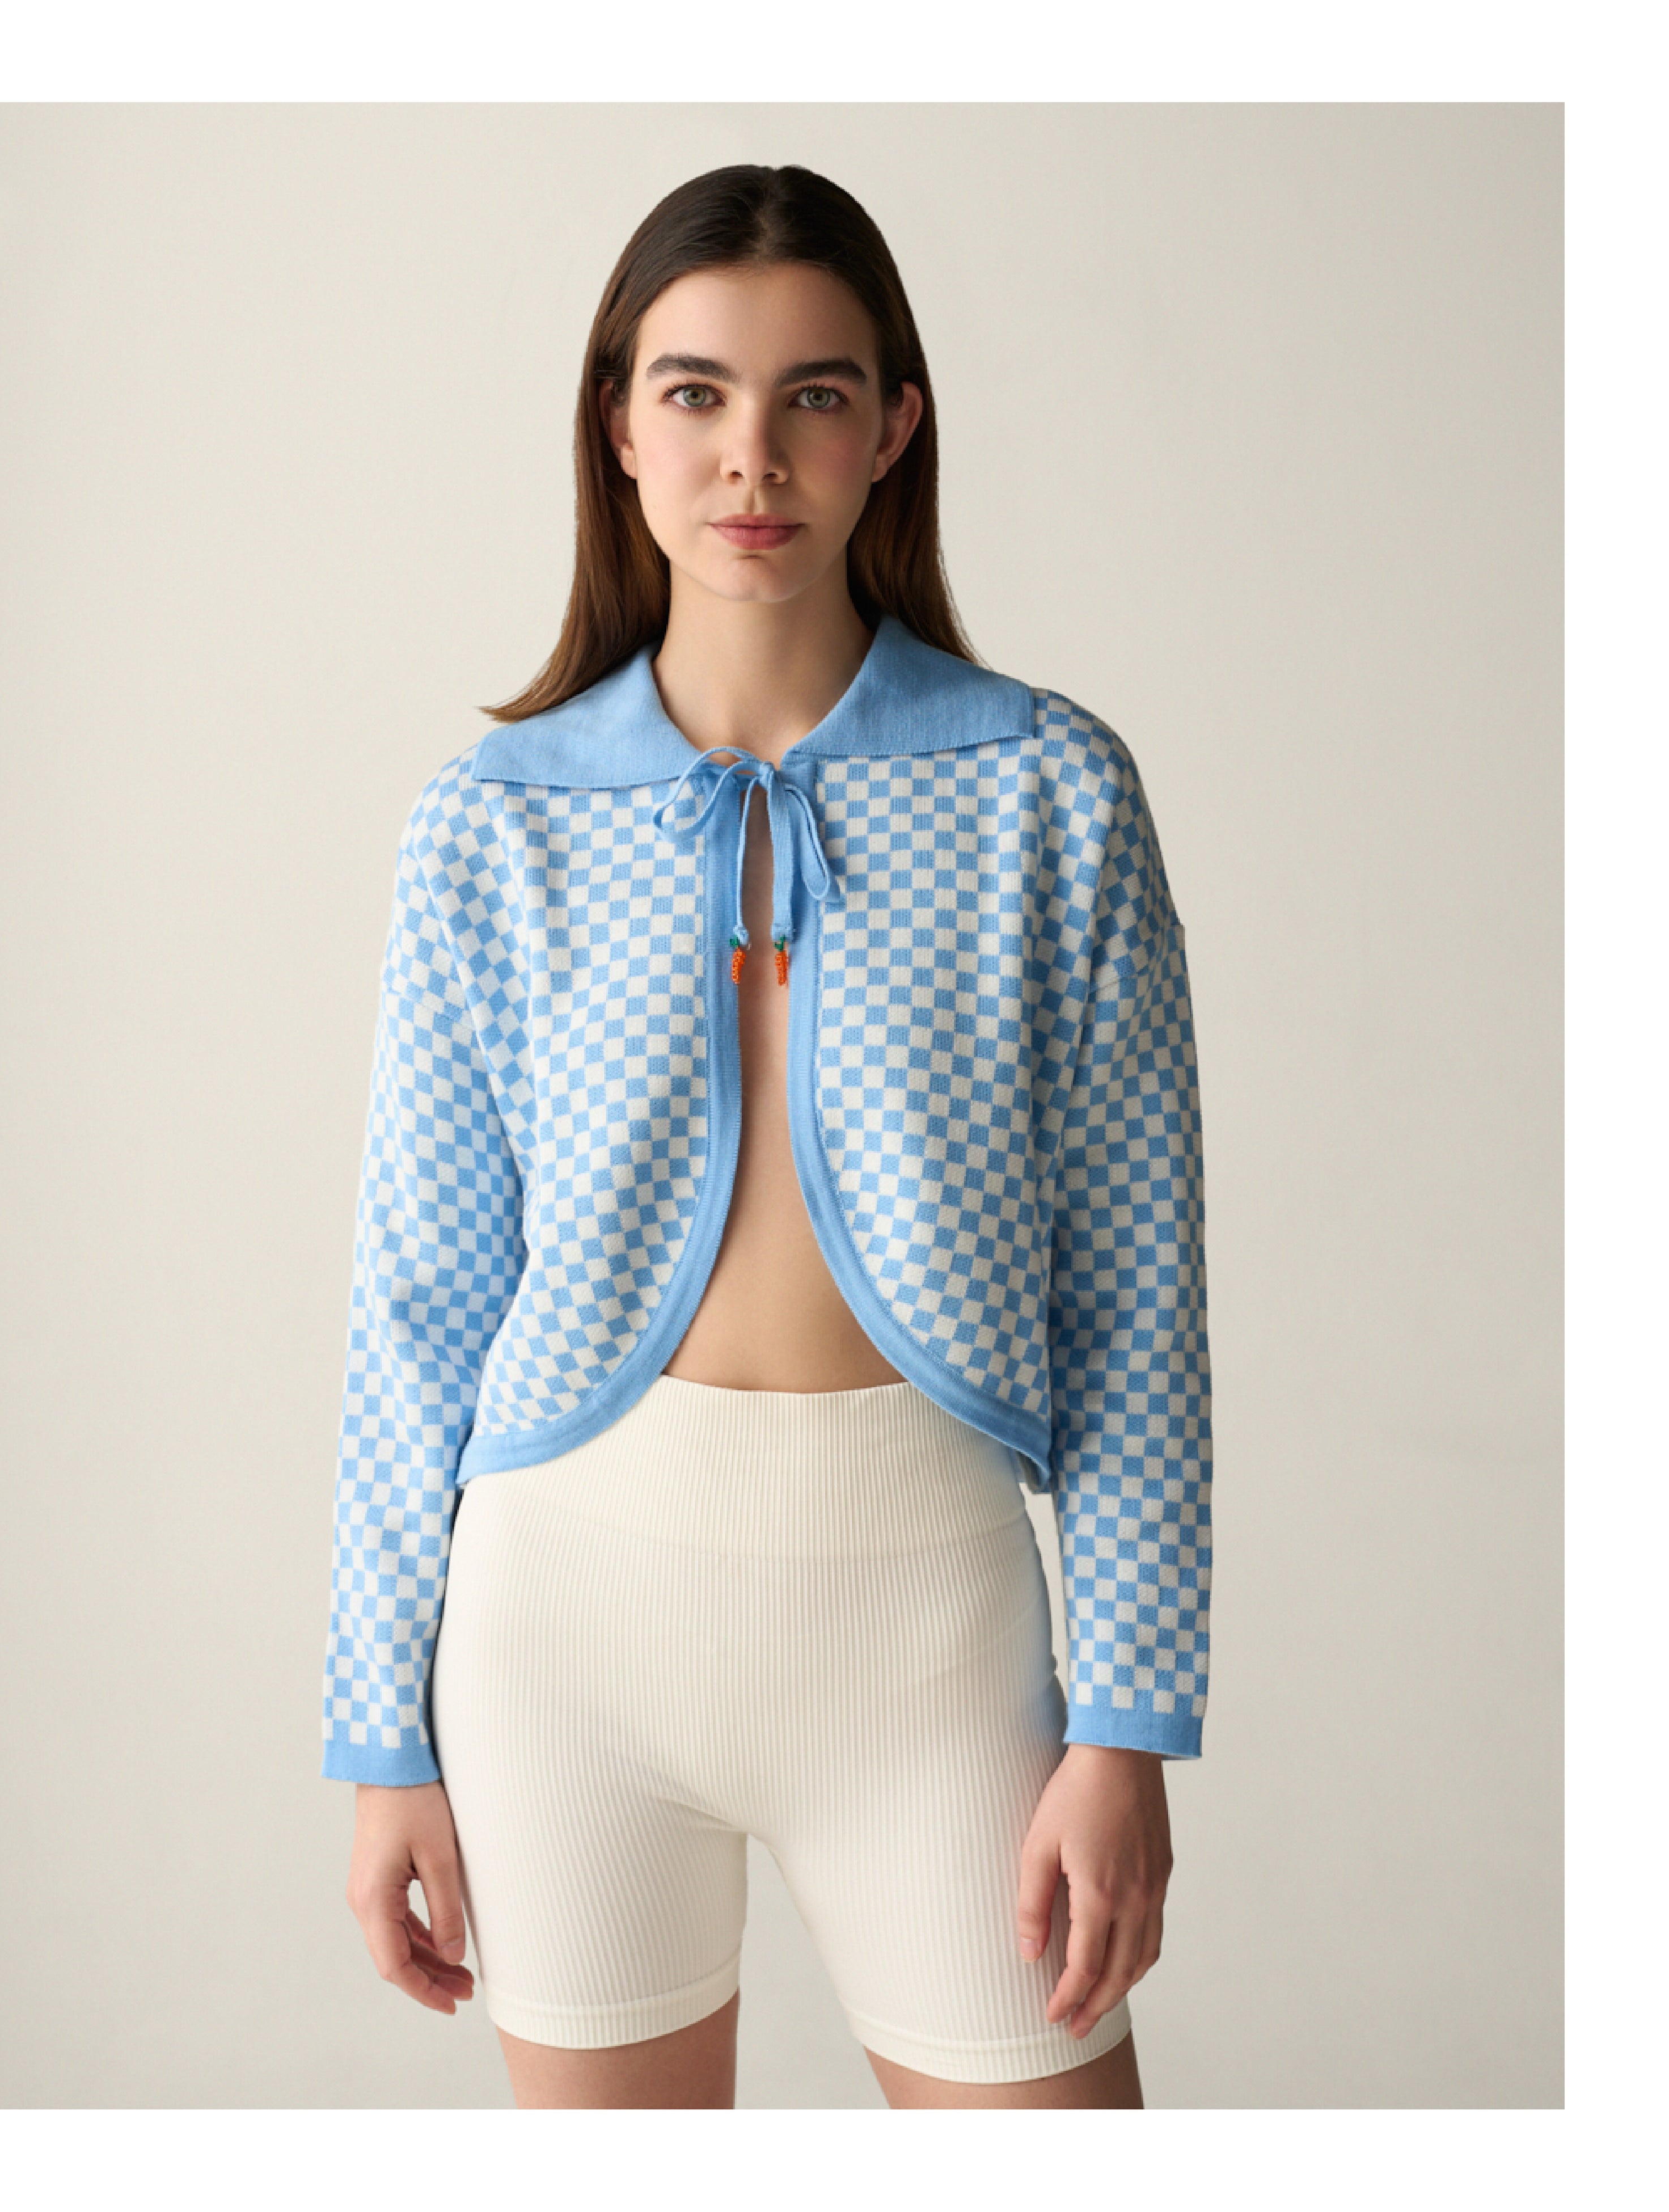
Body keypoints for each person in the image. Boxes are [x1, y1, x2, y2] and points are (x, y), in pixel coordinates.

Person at [321, 163, 1212, 2110]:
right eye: (698, 392)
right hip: (564, 1639)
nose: (753, 454)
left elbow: (1139, 1301)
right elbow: (421, 1305)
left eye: (815, 393)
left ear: (893, 429)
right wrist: (381, 1732)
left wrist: (1133, 1718)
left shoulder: (1052, 793)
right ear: (620, 429)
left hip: (933, 1633)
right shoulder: (491, 825)